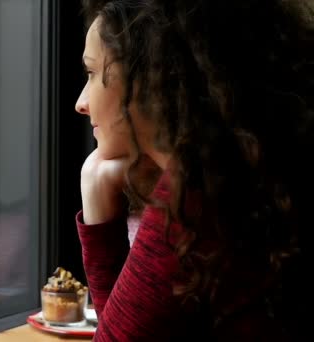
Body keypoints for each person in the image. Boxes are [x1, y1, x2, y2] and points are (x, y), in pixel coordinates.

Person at [75, 0, 312, 340]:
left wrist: (97, 205)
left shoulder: (194, 199)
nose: (81, 102)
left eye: (92, 73)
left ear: (151, 79)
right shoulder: (251, 176)